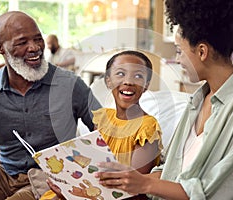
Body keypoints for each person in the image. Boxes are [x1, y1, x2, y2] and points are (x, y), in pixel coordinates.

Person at [94, 0, 233, 200]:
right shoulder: (197, 102)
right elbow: (169, 169)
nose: (178, 60)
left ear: (201, 52)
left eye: (179, 51)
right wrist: (131, 180)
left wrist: (144, 183)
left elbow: (214, 193)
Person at [0, 11, 101, 200]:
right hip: (5, 171)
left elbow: (105, 130)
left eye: (38, 39)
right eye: (22, 42)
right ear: (0, 48)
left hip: (54, 178)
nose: (34, 48)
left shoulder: (70, 84)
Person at [45, 50, 163, 200]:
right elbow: (90, 166)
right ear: (108, 81)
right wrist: (67, 188)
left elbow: (133, 189)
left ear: (146, 85)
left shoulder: (147, 127)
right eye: (120, 74)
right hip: (92, 190)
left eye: (138, 76)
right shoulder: (103, 118)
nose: (128, 81)